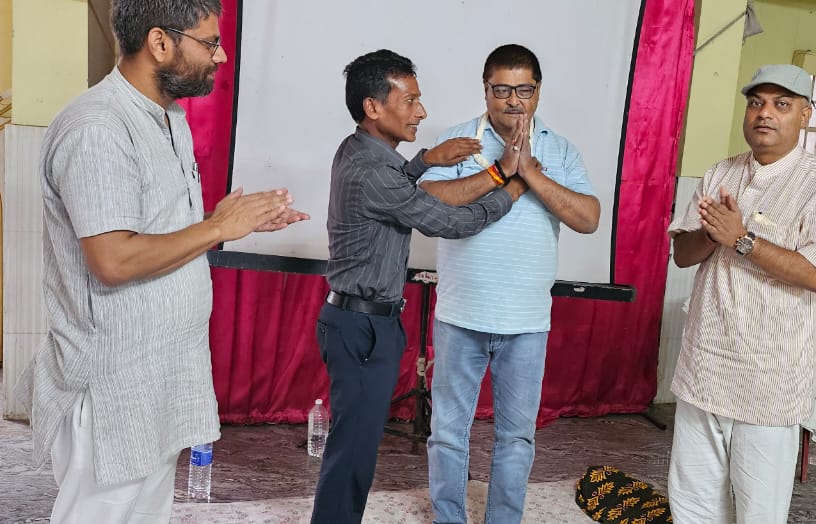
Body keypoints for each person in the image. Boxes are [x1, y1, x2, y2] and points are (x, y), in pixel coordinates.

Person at [26, 1, 309, 522]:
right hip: (115, 384)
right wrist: (218, 228)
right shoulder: (98, 127)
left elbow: (155, 227)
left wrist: (224, 221)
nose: (221, 57)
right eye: (210, 43)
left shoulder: (168, 117)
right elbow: (113, 259)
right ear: (160, 42)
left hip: (160, 374)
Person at [311, 49, 529, 524]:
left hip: (359, 323)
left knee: (354, 448)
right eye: (409, 100)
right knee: (352, 456)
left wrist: (423, 161)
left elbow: (391, 190)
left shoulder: (357, 149)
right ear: (373, 107)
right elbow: (450, 223)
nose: (421, 112)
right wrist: (508, 184)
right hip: (362, 329)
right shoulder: (375, 172)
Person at [418, 44, 600, 524]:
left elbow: (588, 218)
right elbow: (427, 199)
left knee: (516, 437)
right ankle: (448, 519)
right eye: (502, 89)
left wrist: (531, 174)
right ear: (486, 90)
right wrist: (500, 172)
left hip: (526, 322)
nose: (513, 101)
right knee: (447, 433)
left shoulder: (561, 149)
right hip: (460, 315)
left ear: (538, 91)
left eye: (524, 90)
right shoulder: (458, 141)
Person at [665, 64, 816, 523]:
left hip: (770, 379)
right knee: (693, 505)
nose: (765, 113)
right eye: (756, 103)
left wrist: (742, 239)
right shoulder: (720, 173)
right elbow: (683, 255)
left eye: (781, 104)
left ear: (805, 115)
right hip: (704, 367)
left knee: (758, 511)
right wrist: (713, 234)